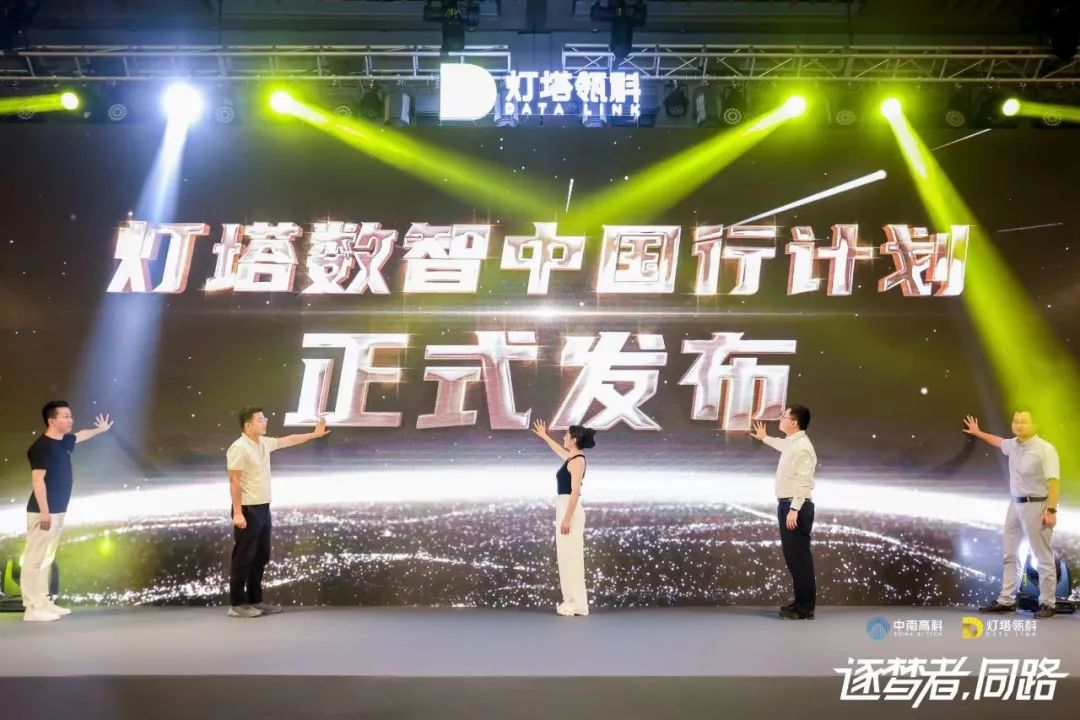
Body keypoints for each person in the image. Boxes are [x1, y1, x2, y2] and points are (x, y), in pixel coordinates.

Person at [227, 406, 329, 618]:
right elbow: (234, 481)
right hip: (247, 508)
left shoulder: (263, 443)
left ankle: (255, 600)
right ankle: (237, 604)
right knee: (243, 557)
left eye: (264, 418)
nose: (265, 421)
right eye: (260, 419)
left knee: (260, 556)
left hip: (263, 507)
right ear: (247, 425)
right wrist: (237, 513)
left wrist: (314, 435)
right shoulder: (238, 448)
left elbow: (289, 440)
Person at [964, 410, 1061, 619]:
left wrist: (1052, 510)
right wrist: (978, 432)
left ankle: (1047, 603)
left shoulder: (1045, 449)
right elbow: (998, 441)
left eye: (1024, 421)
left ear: (1035, 424)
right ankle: (1006, 601)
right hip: (1015, 505)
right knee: (1010, 554)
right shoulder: (1013, 444)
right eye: (1016, 421)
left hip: (1037, 505)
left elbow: (1054, 482)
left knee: (1042, 556)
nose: (1019, 424)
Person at [23, 401, 113, 622]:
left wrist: (100, 430)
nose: (71, 420)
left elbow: (80, 436)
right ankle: (32, 608)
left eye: (70, 416)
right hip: (44, 511)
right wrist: (44, 511)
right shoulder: (41, 447)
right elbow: (38, 480)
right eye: (65, 416)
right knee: (34, 559)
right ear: (52, 421)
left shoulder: (63, 441)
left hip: (57, 510)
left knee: (46, 558)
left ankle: (43, 602)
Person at [752, 405, 817, 620]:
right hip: (788, 506)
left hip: (795, 507)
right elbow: (782, 445)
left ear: (794, 422)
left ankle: (805, 608)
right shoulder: (793, 443)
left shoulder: (803, 447)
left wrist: (794, 509)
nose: (780, 419)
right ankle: (800, 603)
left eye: (784, 416)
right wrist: (765, 438)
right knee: (794, 558)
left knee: (800, 559)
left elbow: (804, 482)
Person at [531, 419, 594, 617]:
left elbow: (575, 493)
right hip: (565, 509)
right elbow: (559, 450)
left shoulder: (578, 461)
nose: (564, 437)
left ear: (574, 439)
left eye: (566, 435)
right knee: (567, 558)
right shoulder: (572, 458)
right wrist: (544, 436)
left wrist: (567, 519)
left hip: (570, 511)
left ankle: (576, 604)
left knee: (571, 558)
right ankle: (573, 601)